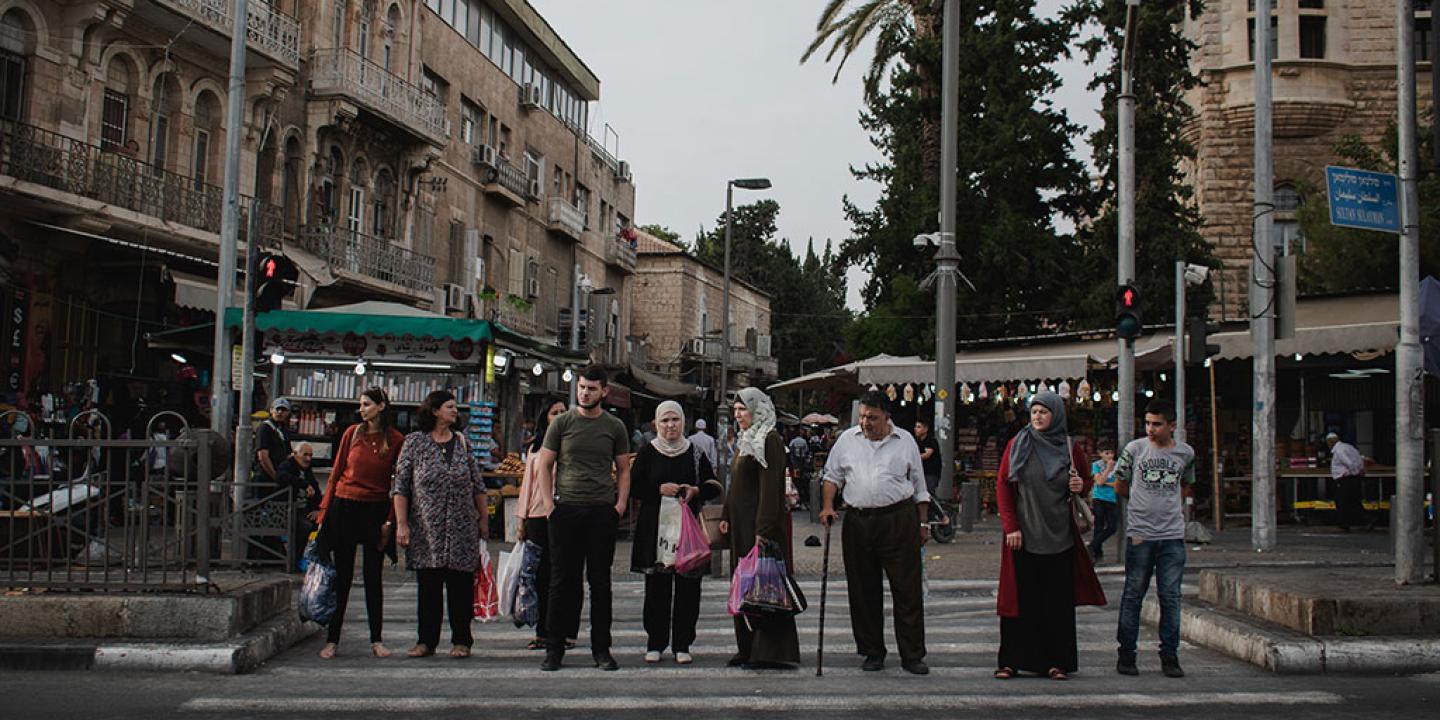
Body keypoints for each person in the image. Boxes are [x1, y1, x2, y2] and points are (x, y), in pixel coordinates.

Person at [994, 391, 1106, 681]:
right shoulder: (1018, 444)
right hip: (1023, 535)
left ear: (1056, 414)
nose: (1038, 417)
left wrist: (1081, 485)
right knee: (1020, 601)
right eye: (1034, 412)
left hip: (1060, 535)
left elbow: (1086, 482)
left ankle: (1057, 662)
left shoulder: (1070, 447)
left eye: (1044, 412)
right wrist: (1011, 527)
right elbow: (1004, 487)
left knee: (1055, 603)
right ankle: (1011, 661)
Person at [819, 390, 931, 675]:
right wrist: (828, 506)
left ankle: (912, 654)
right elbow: (832, 476)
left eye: (873, 418)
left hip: (898, 518)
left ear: (886, 417)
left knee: (907, 589)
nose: (866, 423)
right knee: (863, 589)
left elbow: (919, 487)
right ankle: (872, 651)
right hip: (858, 521)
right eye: (863, 417)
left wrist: (922, 523)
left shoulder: (905, 441)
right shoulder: (847, 440)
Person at [532, 365, 632, 672]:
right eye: (582, 387)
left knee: (600, 584)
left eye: (591, 388)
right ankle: (554, 649)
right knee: (562, 582)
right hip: (566, 510)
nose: (585, 392)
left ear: (604, 391)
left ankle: (602, 650)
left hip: (601, 511)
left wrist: (619, 506)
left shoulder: (614, 426)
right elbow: (544, 466)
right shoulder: (561, 423)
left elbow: (624, 469)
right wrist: (550, 506)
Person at [392, 391, 489, 659]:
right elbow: (401, 486)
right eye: (449, 406)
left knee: (460, 587)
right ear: (434, 411)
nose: (455, 411)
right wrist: (402, 524)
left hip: (461, 528)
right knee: (429, 588)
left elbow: (477, 484)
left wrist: (483, 518)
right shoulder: (414, 443)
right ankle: (426, 641)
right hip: (426, 529)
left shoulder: (461, 443)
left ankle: (462, 640)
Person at [315, 387, 405, 660]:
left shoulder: (396, 439)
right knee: (341, 576)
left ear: (381, 406)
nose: (361, 409)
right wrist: (323, 512)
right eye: (361, 405)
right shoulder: (352, 433)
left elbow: (398, 484)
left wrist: (390, 520)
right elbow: (336, 472)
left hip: (375, 509)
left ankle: (376, 639)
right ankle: (332, 639)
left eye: (366, 404)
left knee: (372, 577)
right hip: (345, 505)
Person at [629, 401, 722, 665]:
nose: (670, 426)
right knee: (656, 587)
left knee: (688, 588)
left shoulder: (694, 451)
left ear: (683, 422)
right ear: (656, 424)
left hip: (687, 531)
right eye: (665, 421)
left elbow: (712, 485)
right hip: (655, 531)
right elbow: (634, 487)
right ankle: (655, 642)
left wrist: (695, 491)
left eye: (675, 420)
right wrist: (658, 490)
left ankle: (682, 643)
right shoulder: (648, 452)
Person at [718, 387, 800, 669]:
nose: (738, 415)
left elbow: (770, 489)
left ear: (758, 409)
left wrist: (763, 530)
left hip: (759, 527)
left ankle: (768, 651)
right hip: (741, 526)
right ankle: (746, 647)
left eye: (744, 409)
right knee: (743, 587)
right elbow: (736, 483)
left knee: (764, 588)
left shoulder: (769, 439)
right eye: (736, 409)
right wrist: (727, 513)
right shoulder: (746, 439)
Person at [1114, 399, 1196, 679]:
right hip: (1140, 534)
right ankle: (1126, 654)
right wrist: (1141, 503)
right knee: (1133, 594)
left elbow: (1186, 486)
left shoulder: (1185, 454)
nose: (1151, 429)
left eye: (1157, 424)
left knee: (1170, 597)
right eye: (1147, 423)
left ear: (1171, 426)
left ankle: (1170, 655)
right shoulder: (1135, 450)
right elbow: (1120, 484)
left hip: (1172, 535)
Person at [514, 399, 567, 650]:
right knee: (537, 575)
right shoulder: (536, 447)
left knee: (561, 574)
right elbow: (528, 484)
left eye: (563, 412)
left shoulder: (571, 443)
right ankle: (542, 631)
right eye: (554, 412)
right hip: (536, 516)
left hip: (562, 513)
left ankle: (561, 631)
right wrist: (521, 519)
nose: (558, 416)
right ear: (545, 417)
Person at [277, 442, 321, 570]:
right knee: (304, 527)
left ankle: (316, 559)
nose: (308, 459)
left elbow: (316, 490)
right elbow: (281, 477)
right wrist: (303, 484)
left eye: (310, 455)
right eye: (305, 455)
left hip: (304, 508)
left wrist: (317, 509)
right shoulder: (287, 466)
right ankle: (295, 559)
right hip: (287, 508)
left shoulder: (307, 470)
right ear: (295, 454)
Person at [1327, 432, 1366, 532]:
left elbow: (1349, 463)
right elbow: (1359, 459)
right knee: (1354, 501)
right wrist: (1359, 471)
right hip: (1353, 479)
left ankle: (1344, 525)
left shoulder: (1339, 451)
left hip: (1344, 479)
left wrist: (1352, 472)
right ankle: (1366, 520)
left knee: (1342, 502)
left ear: (1331, 442)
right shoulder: (1349, 447)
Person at [1088, 439, 1120, 562]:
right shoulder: (1096, 465)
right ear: (1100, 453)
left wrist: (1104, 481)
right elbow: (1099, 481)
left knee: (1112, 526)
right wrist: (1107, 470)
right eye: (1106, 453)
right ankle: (1097, 553)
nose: (1109, 456)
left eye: (1111, 453)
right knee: (1099, 525)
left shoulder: (1117, 465)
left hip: (1111, 499)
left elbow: (1116, 484)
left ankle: (1092, 545)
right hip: (1099, 498)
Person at [254, 398, 293, 493]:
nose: (280, 412)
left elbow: (288, 453)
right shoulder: (265, 428)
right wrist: (275, 476)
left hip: (280, 474)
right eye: (277, 409)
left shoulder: (284, 429)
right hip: (265, 477)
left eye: (283, 410)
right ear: (271, 410)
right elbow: (263, 455)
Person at [914, 419, 942, 496]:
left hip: (930, 473)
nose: (916, 429)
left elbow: (927, 454)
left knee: (929, 493)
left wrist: (913, 458)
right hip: (920, 472)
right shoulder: (917, 441)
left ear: (925, 429)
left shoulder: (930, 441)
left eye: (919, 427)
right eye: (916, 427)